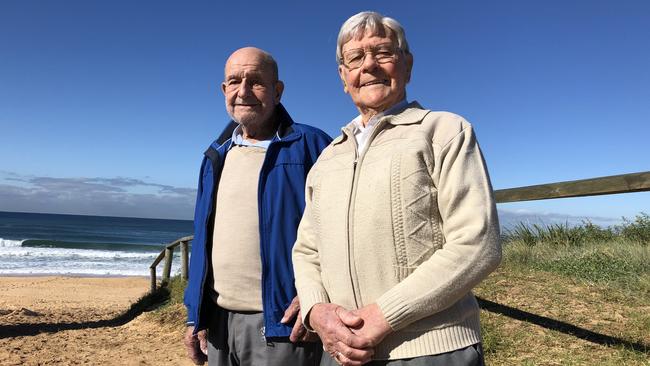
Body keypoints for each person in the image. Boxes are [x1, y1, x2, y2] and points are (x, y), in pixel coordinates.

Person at [292, 11, 502, 366]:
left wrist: (381, 317)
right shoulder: (327, 158)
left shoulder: (444, 130)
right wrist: (315, 310)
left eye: (384, 52)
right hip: (340, 353)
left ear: (407, 64)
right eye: (355, 58)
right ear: (344, 77)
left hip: (431, 350)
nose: (369, 66)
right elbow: (307, 249)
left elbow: (477, 243)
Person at [183, 47, 332, 366]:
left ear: (277, 91)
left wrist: (317, 296)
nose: (243, 91)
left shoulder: (313, 146)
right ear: (224, 90)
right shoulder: (214, 156)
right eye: (234, 81)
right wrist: (194, 316)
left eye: (256, 81)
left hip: (285, 326)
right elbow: (203, 239)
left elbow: (344, 232)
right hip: (220, 324)